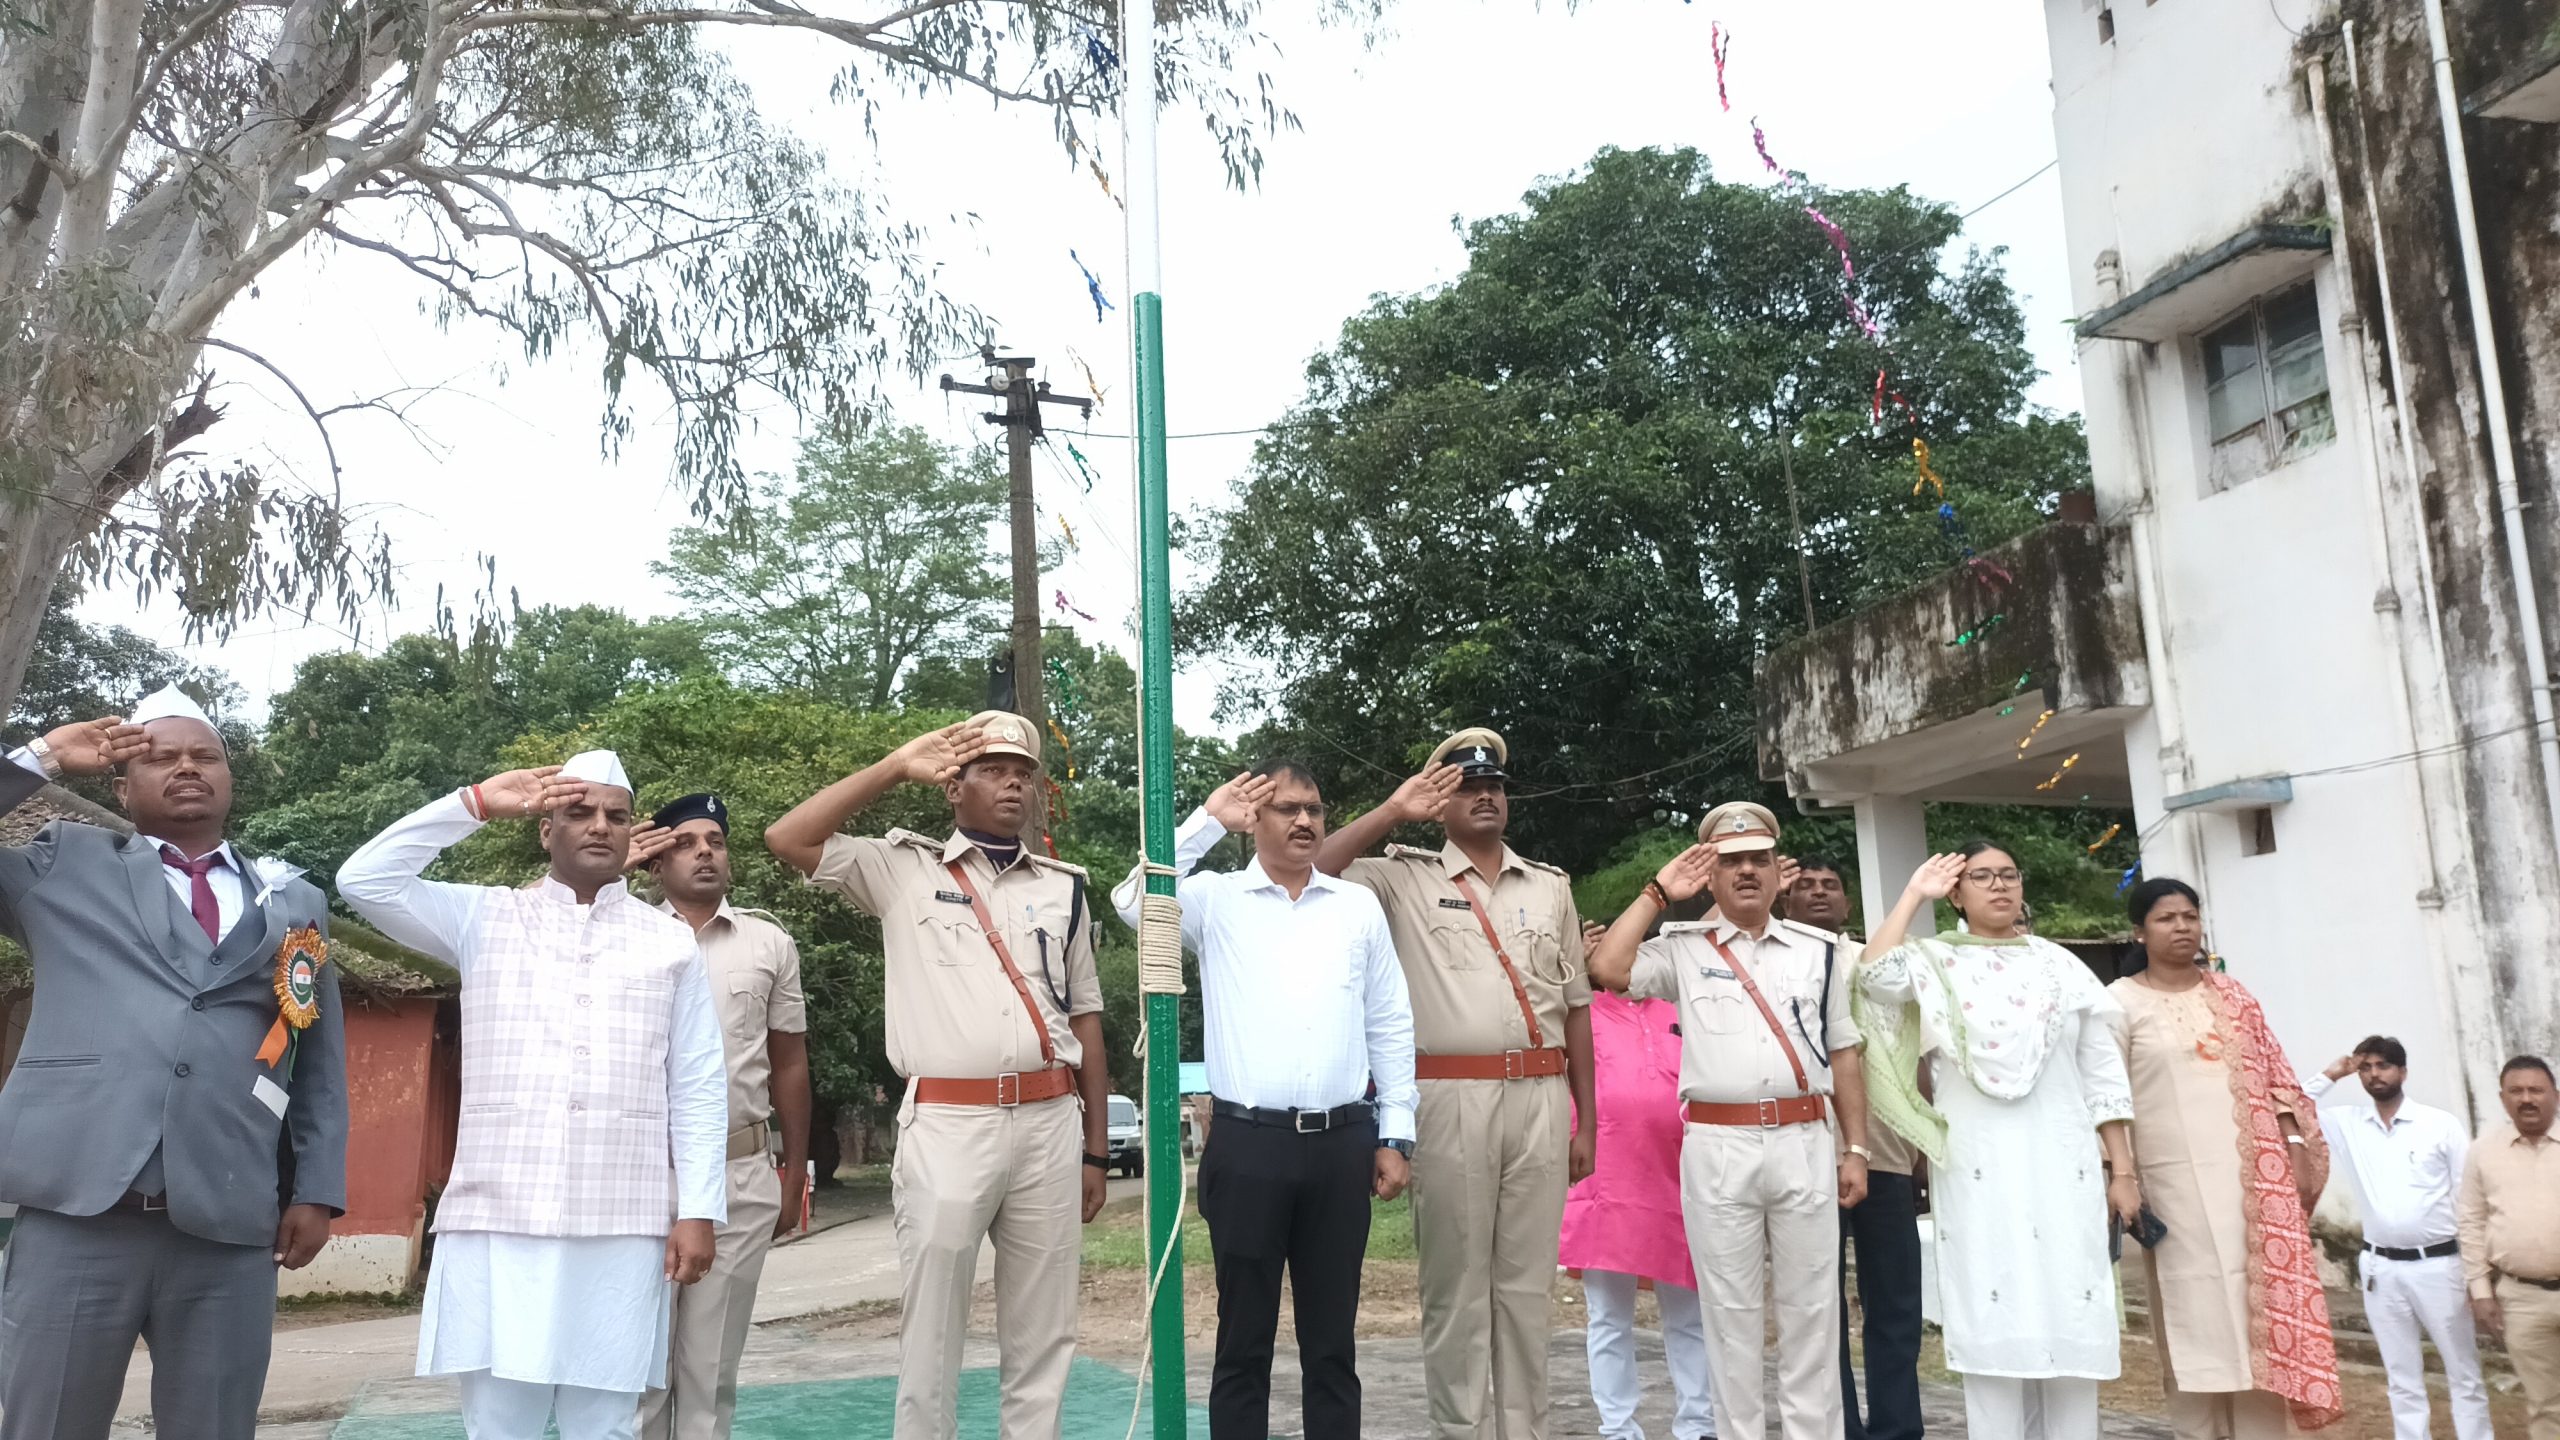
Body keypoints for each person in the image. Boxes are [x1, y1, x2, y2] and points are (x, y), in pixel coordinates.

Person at [339, 750, 728, 1440]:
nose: (600, 826)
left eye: (616, 815)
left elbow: (696, 1082)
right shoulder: (484, 917)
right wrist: (474, 803)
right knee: (499, 1425)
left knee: (605, 1425)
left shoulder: (669, 943)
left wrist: (698, 1208)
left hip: (622, 1219)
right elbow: (364, 880)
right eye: (579, 812)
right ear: (546, 830)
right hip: (499, 1219)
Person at [0, 689, 347, 1440]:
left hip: (229, 1218)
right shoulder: (62, 862)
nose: (187, 768)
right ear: (122, 788)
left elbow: (314, 1056)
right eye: (161, 758)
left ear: (229, 777)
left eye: (205, 756)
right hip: (77, 1208)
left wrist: (316, 1188)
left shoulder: (294, 900)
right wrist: (43, 758)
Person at [766, 713, 1108, 1440]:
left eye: (1023, 774)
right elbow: (788, 837)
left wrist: (1096, 1150)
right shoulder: (902, 869)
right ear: (953, 787)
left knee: (1045, 1331)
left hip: (1051, 1122)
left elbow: (1085, 1018)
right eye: (993, 770)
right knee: (933, 1328)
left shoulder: (1065, 889)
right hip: (951, 1122)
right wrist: (894, 765)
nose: (1013, 784)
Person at [1112, 760, 1417, 1440]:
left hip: (1342, 1143)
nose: (1304, 820)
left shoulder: (1356, 907)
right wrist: (1205, 824)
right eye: (1287, 808)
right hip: (1249, 1145)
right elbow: (1132, 901)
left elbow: (1390, 1022)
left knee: (1332, 1344)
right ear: (1255, 819)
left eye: (1314, 808)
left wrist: (1395, 1133)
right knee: (1243, 1341)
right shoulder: (1215, 899)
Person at [1315, 728, 1596, 1440]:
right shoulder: (1402, 877)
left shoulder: (1551, 886)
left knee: (1527, 1291)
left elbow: (1577, 1010)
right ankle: (1458, 1431)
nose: (1485, 796)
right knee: (1457, 1290)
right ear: (1439, 802)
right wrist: (1393, 810)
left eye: (1494, 786)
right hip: (1450, 1098)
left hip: (1540, 1098)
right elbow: (1315, 867)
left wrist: (1586, 1121)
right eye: (1467, 787)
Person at [1588, 802, 1871, 1440]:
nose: (1746, 871)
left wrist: (1855, 1147)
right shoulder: (1684, 949)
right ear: (1710, 877)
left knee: (1812, 1311)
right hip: (1719, 1143)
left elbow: (1844, 1051)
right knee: (1728, 1314)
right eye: (1731, 861)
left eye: (1758, 860)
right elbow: (1608, 969)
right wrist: (1658, 893)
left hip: (1804, 1138)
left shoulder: (1822, 952)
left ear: (1778, 874)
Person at [1855, 844, 2138, 1440]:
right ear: (1957, 894)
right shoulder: (1934, 961)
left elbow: (2102, 1074)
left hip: (2061, 1161)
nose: (1999, 885)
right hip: (1978, 1163)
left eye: (2009, 874)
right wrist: (1914, 894)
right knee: (1991, 1304)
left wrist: (2123, 1171)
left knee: (2070, 1306)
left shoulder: (2059, 965)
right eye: (1981, 877)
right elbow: (1873, 979)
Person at [2108, 878, 2343, 1437]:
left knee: (2259, 1320)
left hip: (2254, 1192)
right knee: (2194, 1319)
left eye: (2190, 916)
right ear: (2139, 931)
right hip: (2172, 1191)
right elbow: (2106, 1098)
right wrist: (2121, 1175)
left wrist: (2292, 1150)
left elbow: (2278, 1081)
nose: (2181, 927)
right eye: (2166, 918)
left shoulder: (2234, 996)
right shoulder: (2117, 1002)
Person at [630, 793, 813, 1440]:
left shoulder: (768, 943)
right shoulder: (623, 935)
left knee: (710, 1376)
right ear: (655, 862)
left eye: (716, 841)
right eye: (684, 843)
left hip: (741, 1175)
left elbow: (789, 1064)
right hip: (644, 1175)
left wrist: (794, 1173)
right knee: (640, 1377)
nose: (705, 852)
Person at [1784, 857, 1924, 1440]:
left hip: (1885, 1152)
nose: (1818, 893)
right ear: (1784, 900)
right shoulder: (1776, 961)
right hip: (1807, 1151)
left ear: (1847, 902)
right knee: (1822, 1308)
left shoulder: (1878, 961)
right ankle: (1838, 1427)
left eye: (1830, 886)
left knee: (1895, 1303)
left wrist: (1920, 1145)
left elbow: (1916, 1054)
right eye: (1805, 885)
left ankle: (1899, 1428)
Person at [2306, 1035, 2493, 1440]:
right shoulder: (2349, 1124)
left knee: (2463, 1372)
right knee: (2401, 1376)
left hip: (2439, 1265)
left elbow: (2468, 1200)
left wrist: (2476, 1272)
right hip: (2381, 1268)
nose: (2375, 1074)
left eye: (2384, 1065)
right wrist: (2333, 1073)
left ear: (2403, 1072)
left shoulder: (2439, 1125)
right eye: (2366, 1067)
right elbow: (2286, 1107)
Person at [1559, 974, 1719, 1440]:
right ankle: (1618, 1428)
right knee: (1608, 1316)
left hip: (1678, 1181)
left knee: (1689, 1313)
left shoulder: (1680, 1009)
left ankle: (1698, 1425)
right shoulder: (1582, 1013)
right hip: (1605, 1184)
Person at [2458, 1055, 2560, 1437]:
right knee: (2546, 1404)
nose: (2527, 1099)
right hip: (2522, 1299)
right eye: (2516, 1091)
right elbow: (2470, 1222)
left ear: (2556, 1095)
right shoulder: (2482, 1153)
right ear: (2503, 1099)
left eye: (2536, 1090)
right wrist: (2480, 1292)